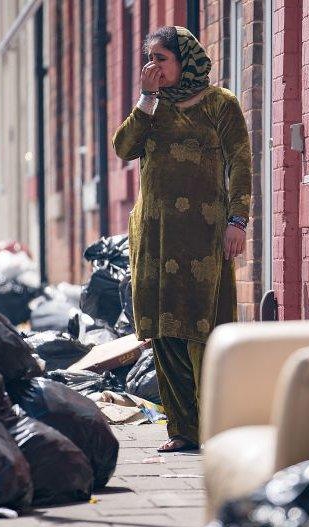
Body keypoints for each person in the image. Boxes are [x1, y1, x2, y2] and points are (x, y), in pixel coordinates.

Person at [112, 26, 252, 453]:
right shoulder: (152, 109)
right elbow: (123, 148)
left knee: (203, 329)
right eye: (149, 58)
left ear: (184, 59)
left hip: (204, 236)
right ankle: (182, 430)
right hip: (156, 236)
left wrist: (238, 221)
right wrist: (145, 100)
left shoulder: (220, 105)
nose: (154, 66)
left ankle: (214, 423)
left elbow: (241, 163)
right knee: (165, 332)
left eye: (162, 58)